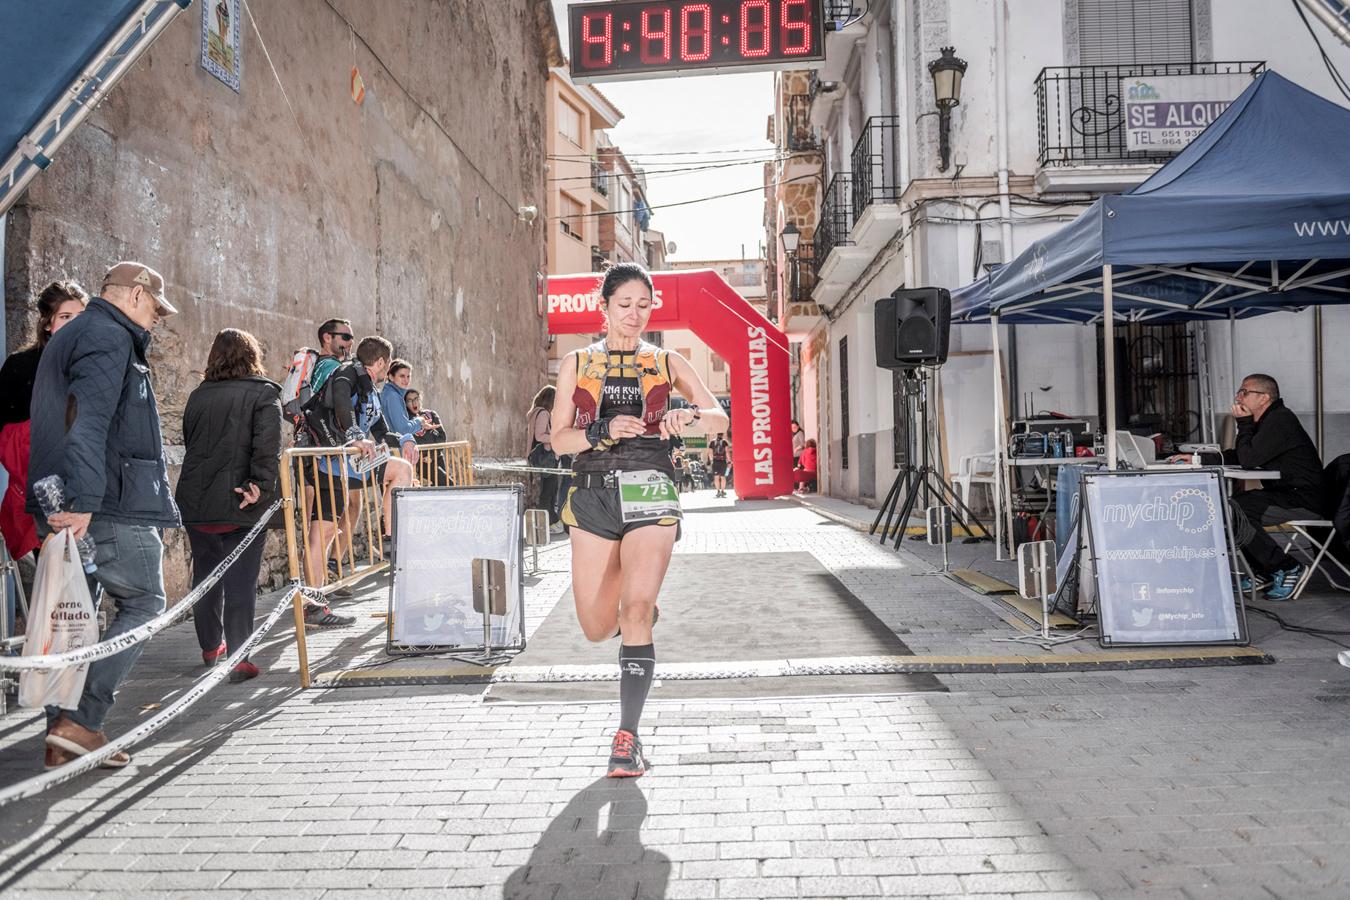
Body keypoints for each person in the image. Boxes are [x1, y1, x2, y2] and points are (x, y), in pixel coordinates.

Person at [550, 262, 729, 777]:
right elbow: (559, 438)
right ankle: (636, 614)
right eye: (623, 305)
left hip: (650, 486)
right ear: (603, 307)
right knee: (594, 625)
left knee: (635, 608)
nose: (634, 315)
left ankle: (626, 737)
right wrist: (601, 430)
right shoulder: (577, 362)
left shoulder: (666, 360)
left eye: (643, 306)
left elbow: (719, 415)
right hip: (591, 495)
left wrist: (687, 417)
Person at [28, 262, 180, 769]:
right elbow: (85, 421)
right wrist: (85, 502)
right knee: (144, 603)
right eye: (156, 308)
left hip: (75, 498)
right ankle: (83, 722)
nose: (157, 319)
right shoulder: (109, 337)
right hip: (106, 503)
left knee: (76, 615)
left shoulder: (77, 335)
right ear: (136, 295)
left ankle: (62, 736)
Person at [175, 329, 282, 683]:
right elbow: (267, 448)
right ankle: (239, 656)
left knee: (205, 575)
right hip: (240, 499)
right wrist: (260, 488)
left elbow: (192, 443)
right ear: (252, 356)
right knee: (241, 580)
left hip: (196, 500)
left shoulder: (197, 396)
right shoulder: (264, 393)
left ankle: (209, 646)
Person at [0, 280, 88, 625]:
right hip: (36, 499)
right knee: (47, 598)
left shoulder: (95, 364)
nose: (74, 323)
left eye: (81, 316)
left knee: (82, 597)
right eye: (65, 316)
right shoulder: (22, 366)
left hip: (87, 498)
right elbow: (8, 438)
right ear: (47, 322)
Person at [302, 336, 413, 593]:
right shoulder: (347, 373)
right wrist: (355, 435)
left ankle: (389, 539)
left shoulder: (369, 387)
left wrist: (406, 440)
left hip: (351, 464)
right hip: (330, 464)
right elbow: (341, 400)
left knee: (402, 469)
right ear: (382, 362)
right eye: (388, 364)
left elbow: (381, 431)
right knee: (323, 533)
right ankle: (311, 603)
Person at [1220, 374, 1325, 600]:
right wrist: (1197, 458)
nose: (1238, 397)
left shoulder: (1280, 420)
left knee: (1237, 509)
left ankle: (1287, 567)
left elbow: (1248, 460)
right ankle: (1264, 570)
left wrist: (1244, 424)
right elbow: (1241, 455)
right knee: (1234, 506)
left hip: (1303, 500)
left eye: (1244, 392)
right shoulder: (1267, 420)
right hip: (1284, 494)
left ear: (1264, 398)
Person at [528, 386, 563, 532]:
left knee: (547, 491)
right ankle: (548, 523)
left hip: (540, 456)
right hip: (546, 457)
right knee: (548, 492)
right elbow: (540, 436)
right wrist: (556, 438)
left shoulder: (535, 412)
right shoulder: (543, 413)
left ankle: (548, 522)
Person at [407, 388, 451, 484]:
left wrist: (432, 456)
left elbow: (442, 436)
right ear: (406, 404)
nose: (414, 403)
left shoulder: (431, 414)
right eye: (409, 400)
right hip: (423, 462)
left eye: (416, 399)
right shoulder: (407, 421)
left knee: (442, 488)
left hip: (437, 456)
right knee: (448, 483)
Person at [709, 432, 731, 499]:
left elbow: (710, 452)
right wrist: (729, 460)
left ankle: (718, 491)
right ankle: (723, 491)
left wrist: (712, 461)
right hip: (723, 461)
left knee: (716, 477)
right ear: (722, 435)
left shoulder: (712, 442)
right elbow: (727, 452)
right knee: (723, 477)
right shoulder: (724, 442)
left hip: (715, 461)